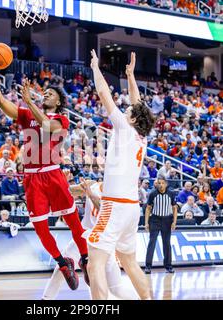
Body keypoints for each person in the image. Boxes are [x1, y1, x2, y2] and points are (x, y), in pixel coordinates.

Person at [0, 59, 89, 290]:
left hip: (53, 174)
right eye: (46, 92)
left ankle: (86, 259)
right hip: (31, 177)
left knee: (73, 221)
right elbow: (0, 101)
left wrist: (30, 103)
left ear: (59, 101)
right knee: (40, 227)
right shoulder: (28, 114)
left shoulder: (62, 119)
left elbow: (45, 124)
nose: (47, 95)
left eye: (51, 93)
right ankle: (63, 263)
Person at [86, 50, 154, 300]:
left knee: (95, 263)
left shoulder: (125, 126)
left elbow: (104, 94)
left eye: (129, 111)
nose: (126, 110)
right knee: (129, 260)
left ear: (133, 118)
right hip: (131, 207)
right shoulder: (142, 136)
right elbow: (138, 104)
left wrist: (95, 68)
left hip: (113, 206)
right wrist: (130, 75)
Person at [42, 179, 139, 300]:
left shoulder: (119, 199)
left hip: (102, 241)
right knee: (63, 267)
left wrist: (91, 195)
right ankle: (46, 298)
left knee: (116, 289)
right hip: (85, 236)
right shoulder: (93, 185)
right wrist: (64, 184)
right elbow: (70, 191)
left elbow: (105, 211)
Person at [144, 176, 178, 274]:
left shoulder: (171, 194)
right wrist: (146, 223)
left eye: (163, 183)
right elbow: (148, 208)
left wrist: (174, 222)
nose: (161, 185)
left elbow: (175, 208)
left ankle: (168, 266)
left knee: (166, 244)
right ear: (157, 184)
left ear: (166, 184)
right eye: (159, 183)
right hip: (155, 220)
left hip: (167, 220)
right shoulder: (153, 194)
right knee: (152, 243)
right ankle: (148, 266)